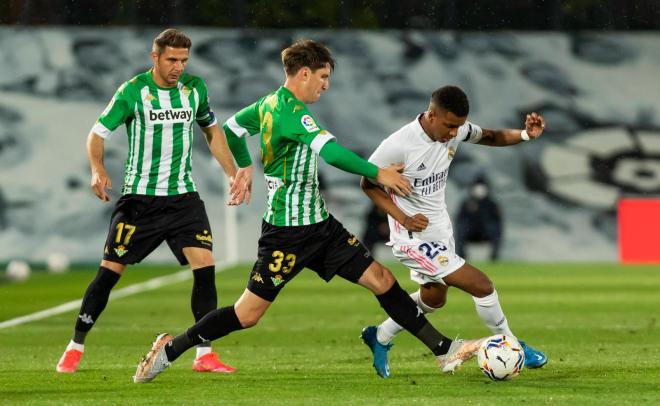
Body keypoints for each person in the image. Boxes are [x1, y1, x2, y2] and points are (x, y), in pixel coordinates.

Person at [133, 40, 487, 383]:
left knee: (381, 279)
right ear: (304, 73)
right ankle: (170, 348)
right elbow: (331, 153)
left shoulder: (268, 104)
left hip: (320, 226)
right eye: (323, 77)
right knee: (247, 314)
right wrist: (378, 172)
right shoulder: (291, 112)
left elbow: (233, 129)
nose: (326, 85)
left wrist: (244, 167)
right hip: (286, 234)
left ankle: (443, 350)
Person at [56, 29, 237, 375]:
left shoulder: (194, 89)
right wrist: (97, 169)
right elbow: (96, 134)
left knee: (206, 268)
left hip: (183, 198)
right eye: (172, 59)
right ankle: (75, 345)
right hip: (139, 201)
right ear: (155, 57)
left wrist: (233, 172)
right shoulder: (133, 92)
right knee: (109, 274)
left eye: (184, 60)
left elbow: (212, 131)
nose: (178, 67)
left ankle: (204, 354)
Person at [359, 86, 548, 378]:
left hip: (439, 230)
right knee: (481, 285)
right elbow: (367, 183)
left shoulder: (455, 130)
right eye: (449, 126)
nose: (453, 133)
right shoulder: (398, 145)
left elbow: (491, 136)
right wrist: (403, 218)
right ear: (431, 115)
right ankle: (514, 346)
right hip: (413, 239)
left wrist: (525, 135)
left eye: (458, 127)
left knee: (433, 299)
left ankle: (380, 335)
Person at [455, 175, 503, 261]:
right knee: (461, 229)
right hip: (470, 233)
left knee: (496, 230)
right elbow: (459, 219)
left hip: (486, 233)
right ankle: (461, 258)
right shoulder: (467, 203)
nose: (479, 189)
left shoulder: (491, 204)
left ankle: (494, 258)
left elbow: (498, 220)